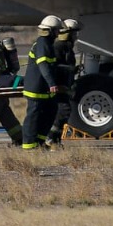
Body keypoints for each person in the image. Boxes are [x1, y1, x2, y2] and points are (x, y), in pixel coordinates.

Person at [21, 15, 63, 150]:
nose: (58, 33)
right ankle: (29, 146)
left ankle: (39, 142)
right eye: (57, 30)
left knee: (51, 111)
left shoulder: (48, 43)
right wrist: (52, 83)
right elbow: (44, 65)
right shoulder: (42, 43)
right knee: (33, 116)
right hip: (36, 88)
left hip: (43, 88)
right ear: (50, 31)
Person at [46, 17, 84, 148]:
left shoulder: (67, 47)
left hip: (65, 86)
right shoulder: (59, 46)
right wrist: (70, 69)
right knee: (63, 111)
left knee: (65, 112)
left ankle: (56, 140)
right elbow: (55, 67)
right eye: (74, 33)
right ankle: (50, 138)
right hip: (59, 87)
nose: (76, 36)